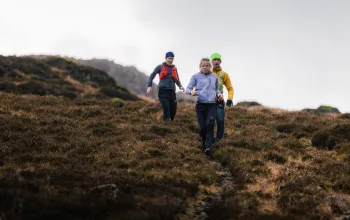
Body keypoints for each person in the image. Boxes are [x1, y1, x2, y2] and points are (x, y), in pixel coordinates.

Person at [185, 58, 223, 155]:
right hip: (200, 105)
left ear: (210, 67)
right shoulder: (195, 77)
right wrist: (191, 91)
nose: (205, 67)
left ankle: (208, 147)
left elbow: (216, 89)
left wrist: (219, 95)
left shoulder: (214, 77)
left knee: (210, 124)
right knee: (203, 127)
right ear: (200, 67)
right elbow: (188, 89)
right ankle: (204, 142)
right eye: (203, 66)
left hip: (212, 105)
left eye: (207, 65)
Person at [147, 51, 184, 121]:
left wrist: (180, 86)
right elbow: (151, 76)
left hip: (172, 92)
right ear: (166, 58)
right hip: (162, 92)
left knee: (173, 111)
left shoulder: (174, 69)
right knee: (166, 109)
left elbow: (177, 79)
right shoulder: (159, 67)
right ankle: (167, 126)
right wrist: (149, 86)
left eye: (172, 59)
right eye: (169, 58)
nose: (171, 60)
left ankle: (168, 123)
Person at [210, 52, 234, 141]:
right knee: (210, 121)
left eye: (218, 60)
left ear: (220, 62)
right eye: (214, 60)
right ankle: (209, 138)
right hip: (208, 101)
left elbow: (230, 88)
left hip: (220, 100)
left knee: (220, 121)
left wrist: (229, 99)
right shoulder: (207, 72)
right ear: (211, 62)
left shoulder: (224, 74)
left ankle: (220, 140)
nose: (216, 61)